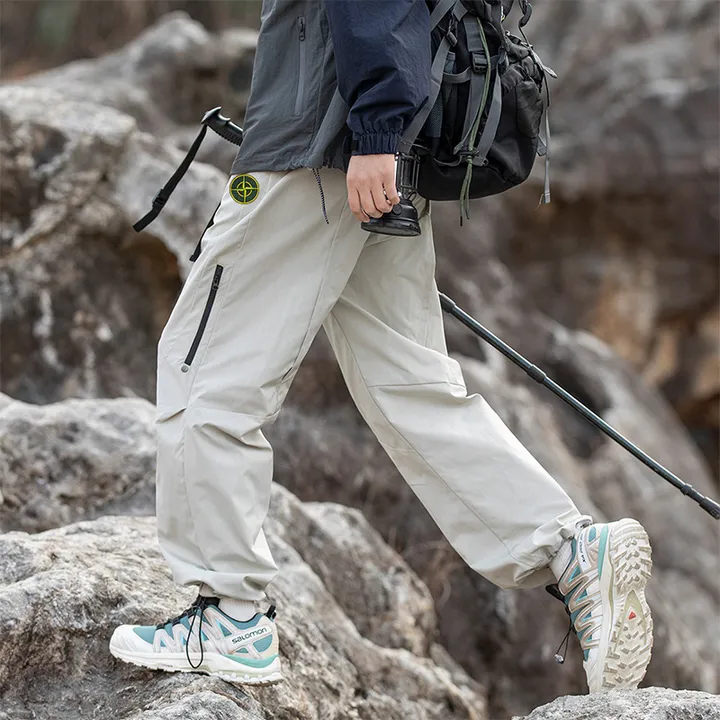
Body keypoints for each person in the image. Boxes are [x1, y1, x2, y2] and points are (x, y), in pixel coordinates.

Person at [109, 0, 653, 693]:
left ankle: (229, 614)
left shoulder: (357, 133)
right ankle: (570, 550)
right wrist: (384, 133)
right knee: (409, 385)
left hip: (322, 147)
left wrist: (376, 132)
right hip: (378, 151)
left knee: (205, 367)